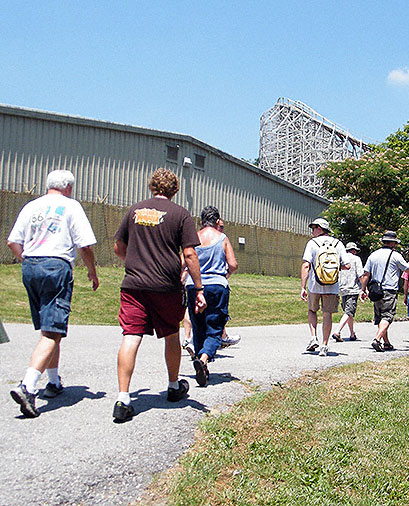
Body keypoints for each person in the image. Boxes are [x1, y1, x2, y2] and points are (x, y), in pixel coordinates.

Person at [112, 168, 206, 422]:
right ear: (174, 190)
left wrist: (134, 263)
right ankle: (174, 386)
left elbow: (118, 247)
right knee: (171, 334)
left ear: (151, 186)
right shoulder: (181, 214)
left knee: (131, 336)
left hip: (134, 284)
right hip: (166, 286)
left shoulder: (134, 211)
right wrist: (198, 288)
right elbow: (189, 254)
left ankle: (123, 398)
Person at [7, 169, 99, 418]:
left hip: (30, 265)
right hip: (56, 266)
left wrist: (27, 259)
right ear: (69, 187)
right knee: (52, 331)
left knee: (48, 329)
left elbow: (12, 242)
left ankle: (54, 381)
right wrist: (92, 271)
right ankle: (27, 385)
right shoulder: (71, 206)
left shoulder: (31, 207)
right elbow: (85, 244)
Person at [184, 206, 238, 386]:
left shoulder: (193, 238)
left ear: (201, 222)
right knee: (215, 327)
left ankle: (201, 365)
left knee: (198, 326)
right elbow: (233, 264)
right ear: (217, 222)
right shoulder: (222, 238)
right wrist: (224, 275)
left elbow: (184, 261)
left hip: (194, 286)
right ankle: (204, 359)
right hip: (216, 286)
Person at [300, 217, 350, 356]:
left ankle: (313, 337)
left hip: (315, 285)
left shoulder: (312, 243)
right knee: (327, 314)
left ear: (320, 229)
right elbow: (347, 265)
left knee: (312, 310)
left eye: (314, 228)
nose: (312, 231)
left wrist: (303, 287)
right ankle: (324, 345)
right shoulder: (338, 244)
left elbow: (306, 265)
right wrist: (332, 270)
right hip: (332, 285)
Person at [360, 230, 409, 352]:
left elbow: (366, 274)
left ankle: (387, 343)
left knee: (380, 317)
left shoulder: (373, 255)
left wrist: (363, 289)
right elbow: (408, 269)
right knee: (387, 316)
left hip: (375, 290)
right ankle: (377, 339)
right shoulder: (396, 255)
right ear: (393, 243)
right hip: (389, 290)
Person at [332, 242, 364, 342]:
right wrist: (364, 288)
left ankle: (352, 333)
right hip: (353, 288)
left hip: (342, 288)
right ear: (354, 251)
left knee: (348, 311)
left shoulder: (341, 259)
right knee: (349, 311)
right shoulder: (356, 259)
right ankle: (337, 331)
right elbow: (360, 274)